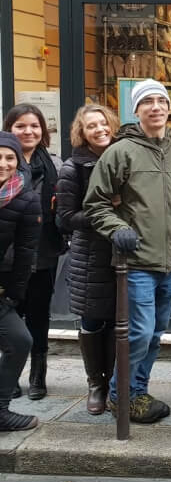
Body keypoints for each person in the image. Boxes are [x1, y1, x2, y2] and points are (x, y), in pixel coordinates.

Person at [84, 79, 171, 424]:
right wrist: (118, 229)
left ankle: (138, 389)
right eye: (148, 102)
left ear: (169, 108)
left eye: (161, 101)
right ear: (136, 110)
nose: (156, 107)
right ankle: (120, 394)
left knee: (155, 333)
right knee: (139, 332)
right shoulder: (120, 152)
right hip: (136, 261)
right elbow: (95, 204)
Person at [56, 105, 119, 414]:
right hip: (90, 256)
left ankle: (115, 381)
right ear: (82, 133)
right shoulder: (72, 168)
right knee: (93, 321)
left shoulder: (123, 157)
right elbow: (65, 218)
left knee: (118, 320)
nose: (100, 130)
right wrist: (106, 211)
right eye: (92, 126)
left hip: (122, 253)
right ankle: (96, 383)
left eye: (103, 123)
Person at [3, 103, 64, 400]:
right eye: (20, 126)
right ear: (9, 130)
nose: (28, 131)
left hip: (44, 251)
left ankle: (38, 373)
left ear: (43, 130)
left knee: (39, 315)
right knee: (11, 313)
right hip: (8, 255)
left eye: (34, 126)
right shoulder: (4, 162)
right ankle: (10, 372)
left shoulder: (55, 163)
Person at [0, 132, 42, 432]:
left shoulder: (26, 200)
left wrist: (13, 295)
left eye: (9, 158)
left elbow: (26, 252)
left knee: (20, 340)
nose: (3, 164)